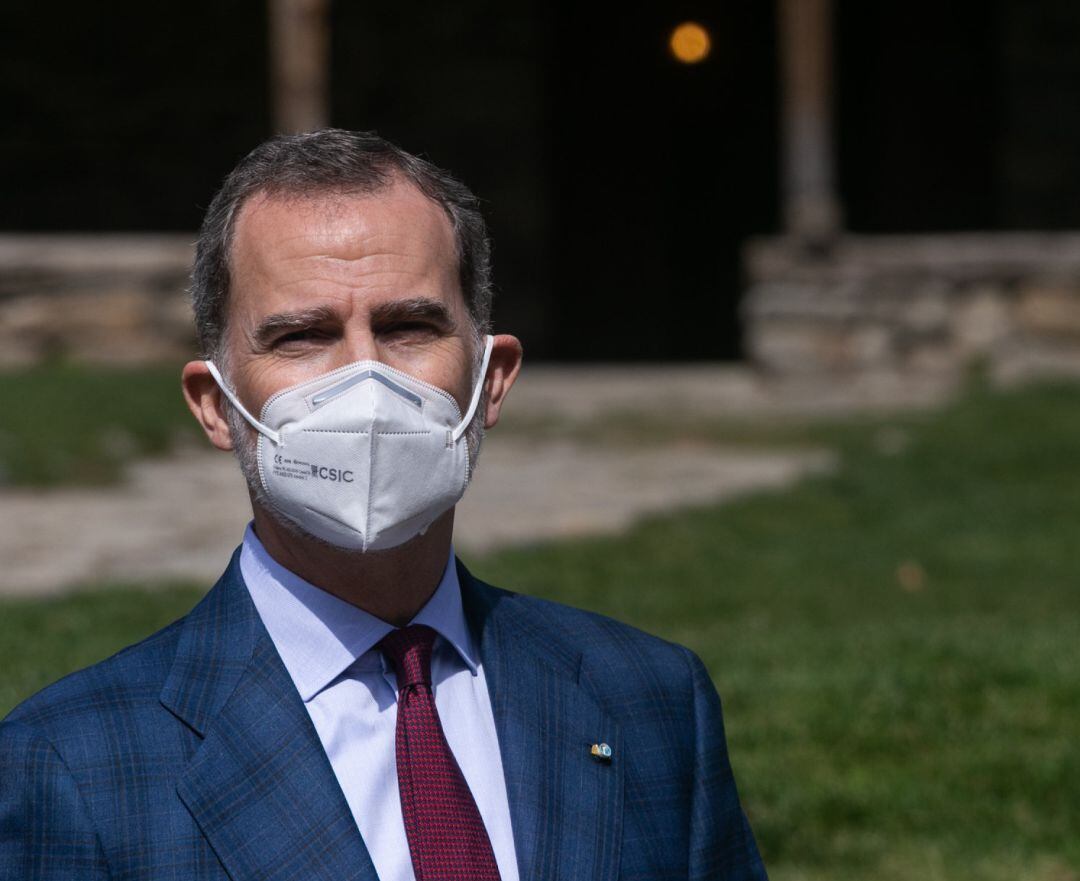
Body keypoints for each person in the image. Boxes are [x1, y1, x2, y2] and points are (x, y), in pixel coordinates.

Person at [0, 129, 768, 880]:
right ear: (215, 404)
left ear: (490, 378)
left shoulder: (650, 699)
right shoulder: (71, 764)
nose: (365, 382)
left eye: (409, 326)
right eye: (302, 336)